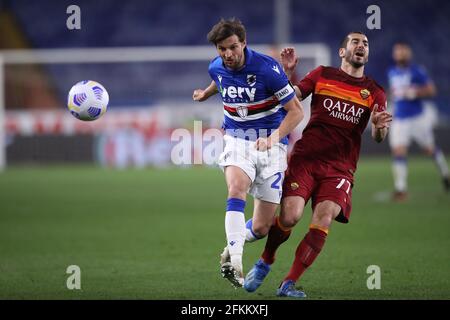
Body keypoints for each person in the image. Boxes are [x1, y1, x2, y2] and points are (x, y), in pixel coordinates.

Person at [243, 32, 392, 298]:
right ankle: (267, 259)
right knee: (290, 216)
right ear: (342, 52)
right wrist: (288, 75)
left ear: (367, 54)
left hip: (340, 168)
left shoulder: (375, 91)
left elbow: (380, 136)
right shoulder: (323, 74)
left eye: (366, 44)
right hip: (307, 159)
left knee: (323, 218)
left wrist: (379, 128)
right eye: (355, 42)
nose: (361, 46)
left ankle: (288, 283)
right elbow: (292, 99)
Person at [192, 18, 304, 288]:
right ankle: (236, 261)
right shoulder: (216, 66)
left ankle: (231, 247)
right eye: (221, 49)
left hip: (272, 145)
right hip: (236, 139)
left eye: (232, 47)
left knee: (263, 227)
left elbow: (296, 112)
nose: (227, 54)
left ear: (243, 43)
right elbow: (218, 80)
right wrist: (206, 94)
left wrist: (273, 137)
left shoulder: (267, 68)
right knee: (236, 188)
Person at [387, 42, 449, 201]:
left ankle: (445, 173)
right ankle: (401, 189)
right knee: (398, 151)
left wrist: (415, 92)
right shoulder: (392, 72)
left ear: (409, 54)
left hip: (417, 118)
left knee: (429, 149)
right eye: (398, 51)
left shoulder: (417, 71)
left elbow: (431, 90)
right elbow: (395, 92)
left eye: (403, 51)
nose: (400, 54)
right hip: (400, 119)